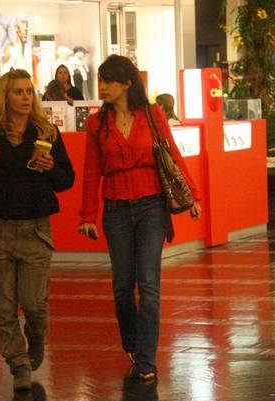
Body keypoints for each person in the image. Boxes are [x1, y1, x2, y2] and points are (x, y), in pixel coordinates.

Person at [77, 55, 203, 382]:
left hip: (152, 206)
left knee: (148, 283)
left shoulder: (152, 114)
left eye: (109, 81)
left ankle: (146, 359)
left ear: (127, 83)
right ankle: (131, 343)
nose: (102, 86)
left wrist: (192, 195)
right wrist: (87, 214)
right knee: (122, 286)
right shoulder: (95, 123)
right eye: (100, 81)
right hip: (115, 209)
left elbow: (172, 154)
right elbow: (91, 171)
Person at [0, 69, 75, 391]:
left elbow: (67, 180)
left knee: (34, 303)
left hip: (35, 228)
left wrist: (51, 167)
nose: (26, 97)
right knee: (5, 304)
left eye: (29, 91)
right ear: (5, 97)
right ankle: (18, 363)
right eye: (18, 92)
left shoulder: (47, 132)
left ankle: (36, 335)